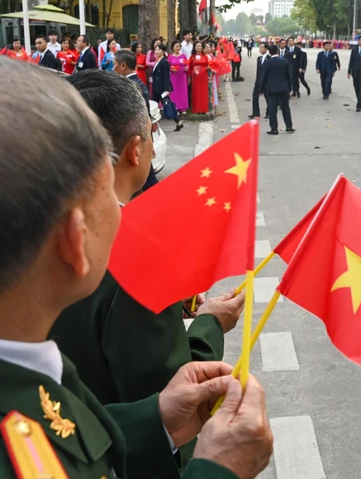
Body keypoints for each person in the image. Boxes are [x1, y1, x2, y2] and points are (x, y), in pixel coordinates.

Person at [0, 54, 273, 479]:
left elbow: (68, 442)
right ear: (75, 241)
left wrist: (155, 421)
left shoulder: (12, 365)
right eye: (98, 198)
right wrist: (221, 470)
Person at [50, 70, 244, 452]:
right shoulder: (134, 256)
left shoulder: (17, 230)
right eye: (153, 136)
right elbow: (168, 400)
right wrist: (210, 326)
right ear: (135, 150)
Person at [113, 49, 161, 192]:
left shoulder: (132, 87)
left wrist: (147, 143)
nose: (112, 68)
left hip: (135, 141)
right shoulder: (134, 84)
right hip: (137, 140)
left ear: (123, 66)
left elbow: (142, 117)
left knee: (149, 181)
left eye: (114, 64)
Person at [260, 44, 294, 135]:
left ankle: (274, 129)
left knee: (272, 109)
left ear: (269, 53)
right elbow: (288, 76)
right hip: (284, 88)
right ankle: (289, 126)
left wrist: (261, 89)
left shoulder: (267, 63)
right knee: (285, 108)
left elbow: (263, 77)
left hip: (272, 89)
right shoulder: (285, 62)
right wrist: (289, 88)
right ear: (277, 51)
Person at [152, 43, 184, 131]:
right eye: (156, 49)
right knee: (156, 105)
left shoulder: (165, 62)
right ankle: (178, 122)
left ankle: (178, 122)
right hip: (156, 87)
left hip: (162, 88)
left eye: (159, 50)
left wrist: (167, 89)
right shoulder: (157, 61)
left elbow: (166, 76)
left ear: (163, 52)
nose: (157, 51)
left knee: (167, 105)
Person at [168, 40, 190, 115]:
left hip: (182, 76)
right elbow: (168, 66)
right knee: (174, 92)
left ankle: (183, 107)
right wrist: (171, 68)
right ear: (172, 47)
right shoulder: (170, 57)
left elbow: (187, 64)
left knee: (183, 91)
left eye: (179, 46)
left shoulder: (183, 56)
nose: (178, 48)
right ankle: (175, 107)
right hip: (174, 76)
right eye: (176, 46)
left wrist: (187, 67)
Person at [192, 42, 213, 114]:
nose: (199, 48)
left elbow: (209, 65)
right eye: (198, 46)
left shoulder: (205, 56)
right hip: (196, 77)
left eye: (200, 46)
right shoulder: (192, 57)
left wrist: (208, 67)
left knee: (204, 92)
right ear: (194, 48)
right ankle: (197, 109)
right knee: (196, 92)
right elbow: (190, 67)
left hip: (204, 76)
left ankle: (204, 109)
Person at [249, 42, 269, 118]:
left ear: (266, 49)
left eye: (262, 47)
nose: (260, 49)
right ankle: (256, 113)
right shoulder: (259, 58)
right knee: (254, 96)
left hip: (266, 82)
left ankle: (269, 112)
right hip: (258, 81)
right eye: (259, 47)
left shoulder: (269, 59)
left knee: (268, 98)